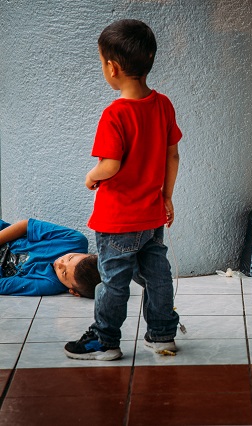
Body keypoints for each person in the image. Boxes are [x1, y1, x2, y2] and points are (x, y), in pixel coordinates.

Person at [64, 19, 182, 361]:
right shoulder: (162, 105)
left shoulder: (114, 114)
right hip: (151, 216)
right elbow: (173, 155)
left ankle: (105, 339)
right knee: (158, 275)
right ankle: (162, 336)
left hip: (116, 220)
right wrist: (166, 195)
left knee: (113, 282)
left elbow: (110, 164)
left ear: (112, 68)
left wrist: (92, 175)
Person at [0, 218, 100, 297]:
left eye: (64, 273)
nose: (60, 264)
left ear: (73, 291)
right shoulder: (75, 240)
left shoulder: (50, 284)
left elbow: (4, 285)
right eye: (70, 258)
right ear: (87, 254)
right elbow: (25, 226)